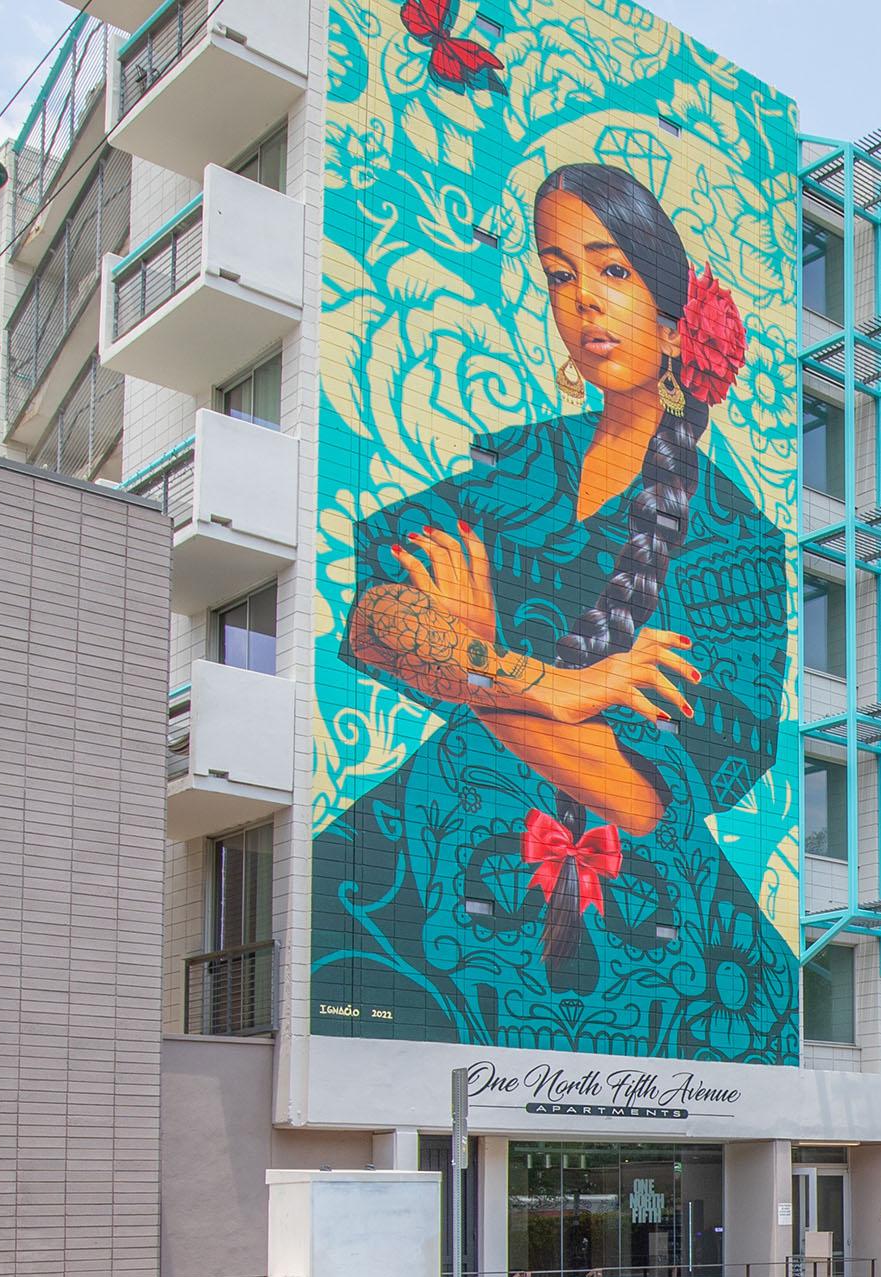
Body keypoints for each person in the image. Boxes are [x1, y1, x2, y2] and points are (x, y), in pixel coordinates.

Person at [310, 162, 802, 1061]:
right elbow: (376, 619)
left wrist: (476, 654)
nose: (582, 303)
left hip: (645, 927)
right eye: (559, 274)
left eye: (610, 270)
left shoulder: (739, 543)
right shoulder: (515, 470)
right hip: (433, 857)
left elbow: (644, 798)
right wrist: (556, 689)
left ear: (670, 307)